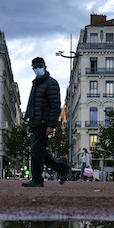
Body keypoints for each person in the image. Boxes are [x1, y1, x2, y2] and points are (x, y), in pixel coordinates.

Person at [22, 57, 71, 187]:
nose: (37, 69)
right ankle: (61, 166)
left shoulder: (51, 83)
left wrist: (51, 125)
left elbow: (55, 105)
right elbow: (32, 104)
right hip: (37, 122)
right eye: (35, 67)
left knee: (36, 151)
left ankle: (38, 179)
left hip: (44, 123)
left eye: (39, 66)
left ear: (45, 67)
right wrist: (30, 123)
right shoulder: (36, 83)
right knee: (39, 151)